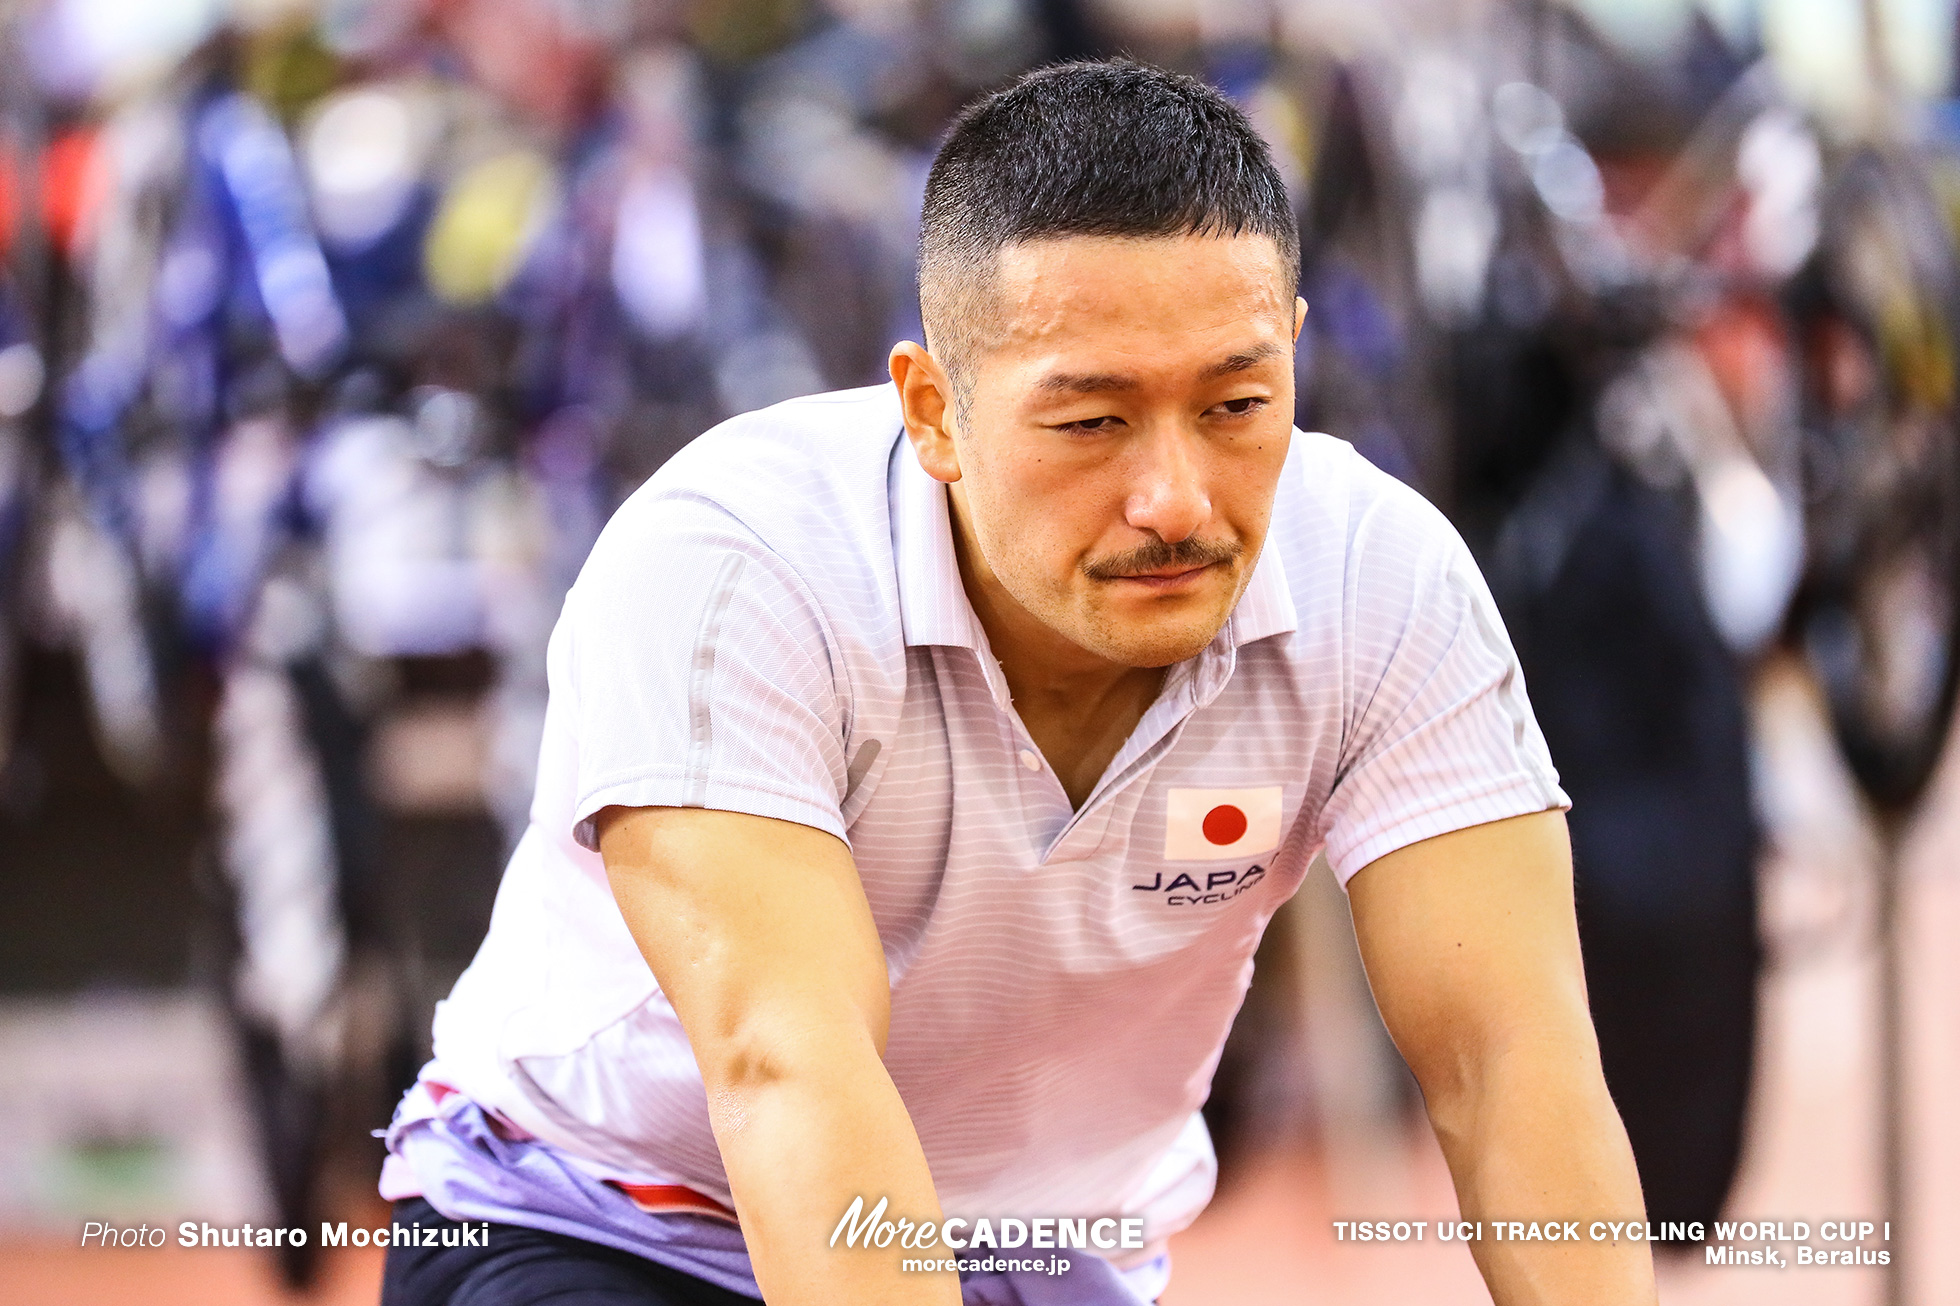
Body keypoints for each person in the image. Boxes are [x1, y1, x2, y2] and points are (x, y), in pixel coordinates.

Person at [378, 59, 1657, 1306]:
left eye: (1236, 403)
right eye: (1091, 421)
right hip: (604, 1220)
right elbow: (785, 1068)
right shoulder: (733, 564)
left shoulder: (1379, 576)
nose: (1175, 500)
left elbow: (1510, 1063)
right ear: (931, 409)